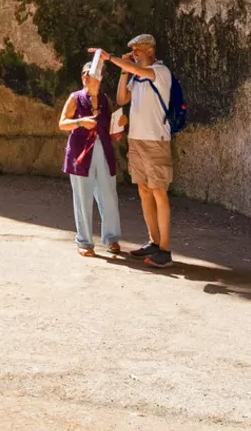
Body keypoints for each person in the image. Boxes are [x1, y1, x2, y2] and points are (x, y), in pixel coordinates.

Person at [93, 33, 175, 267]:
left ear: (150, 50)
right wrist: (124, 69)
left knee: (159, 191)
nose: (135, 53)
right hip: (137, 140)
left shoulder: (160, 72)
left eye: (138, 49)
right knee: (144, 190)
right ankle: (154, 241)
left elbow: (141, 72)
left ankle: (165, 250)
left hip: (156, 141)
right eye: (133, 50)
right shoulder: (136, 77)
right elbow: (121, 98)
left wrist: (111, 58)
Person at [60, 58, 124, 258]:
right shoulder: (75, 98)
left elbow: (109, 129)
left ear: (101, 78)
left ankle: (112, 238)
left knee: (109, 195)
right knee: (83, 198)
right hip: (80, 154)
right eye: (85, 74)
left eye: (93, 74)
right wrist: (80, 122)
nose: (88, 77)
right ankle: (85, 241)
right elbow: (62, 123)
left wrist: (119, 126)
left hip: (103, 151)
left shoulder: (105, 99)